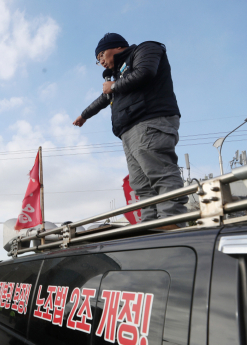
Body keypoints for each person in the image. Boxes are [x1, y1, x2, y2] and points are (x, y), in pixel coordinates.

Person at [73, 33, 186, 227]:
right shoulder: (116, 76)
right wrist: (84, 115)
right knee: (141, 183)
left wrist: (114, 85)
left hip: (150, 120)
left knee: (160, 172)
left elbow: (145, 72)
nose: (100, 62)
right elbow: (104, 98)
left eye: (100, 56)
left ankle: (172, 221)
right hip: (128, 131)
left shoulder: (145, 49)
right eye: (97, 60)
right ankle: (150, 225)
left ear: (115, 47)